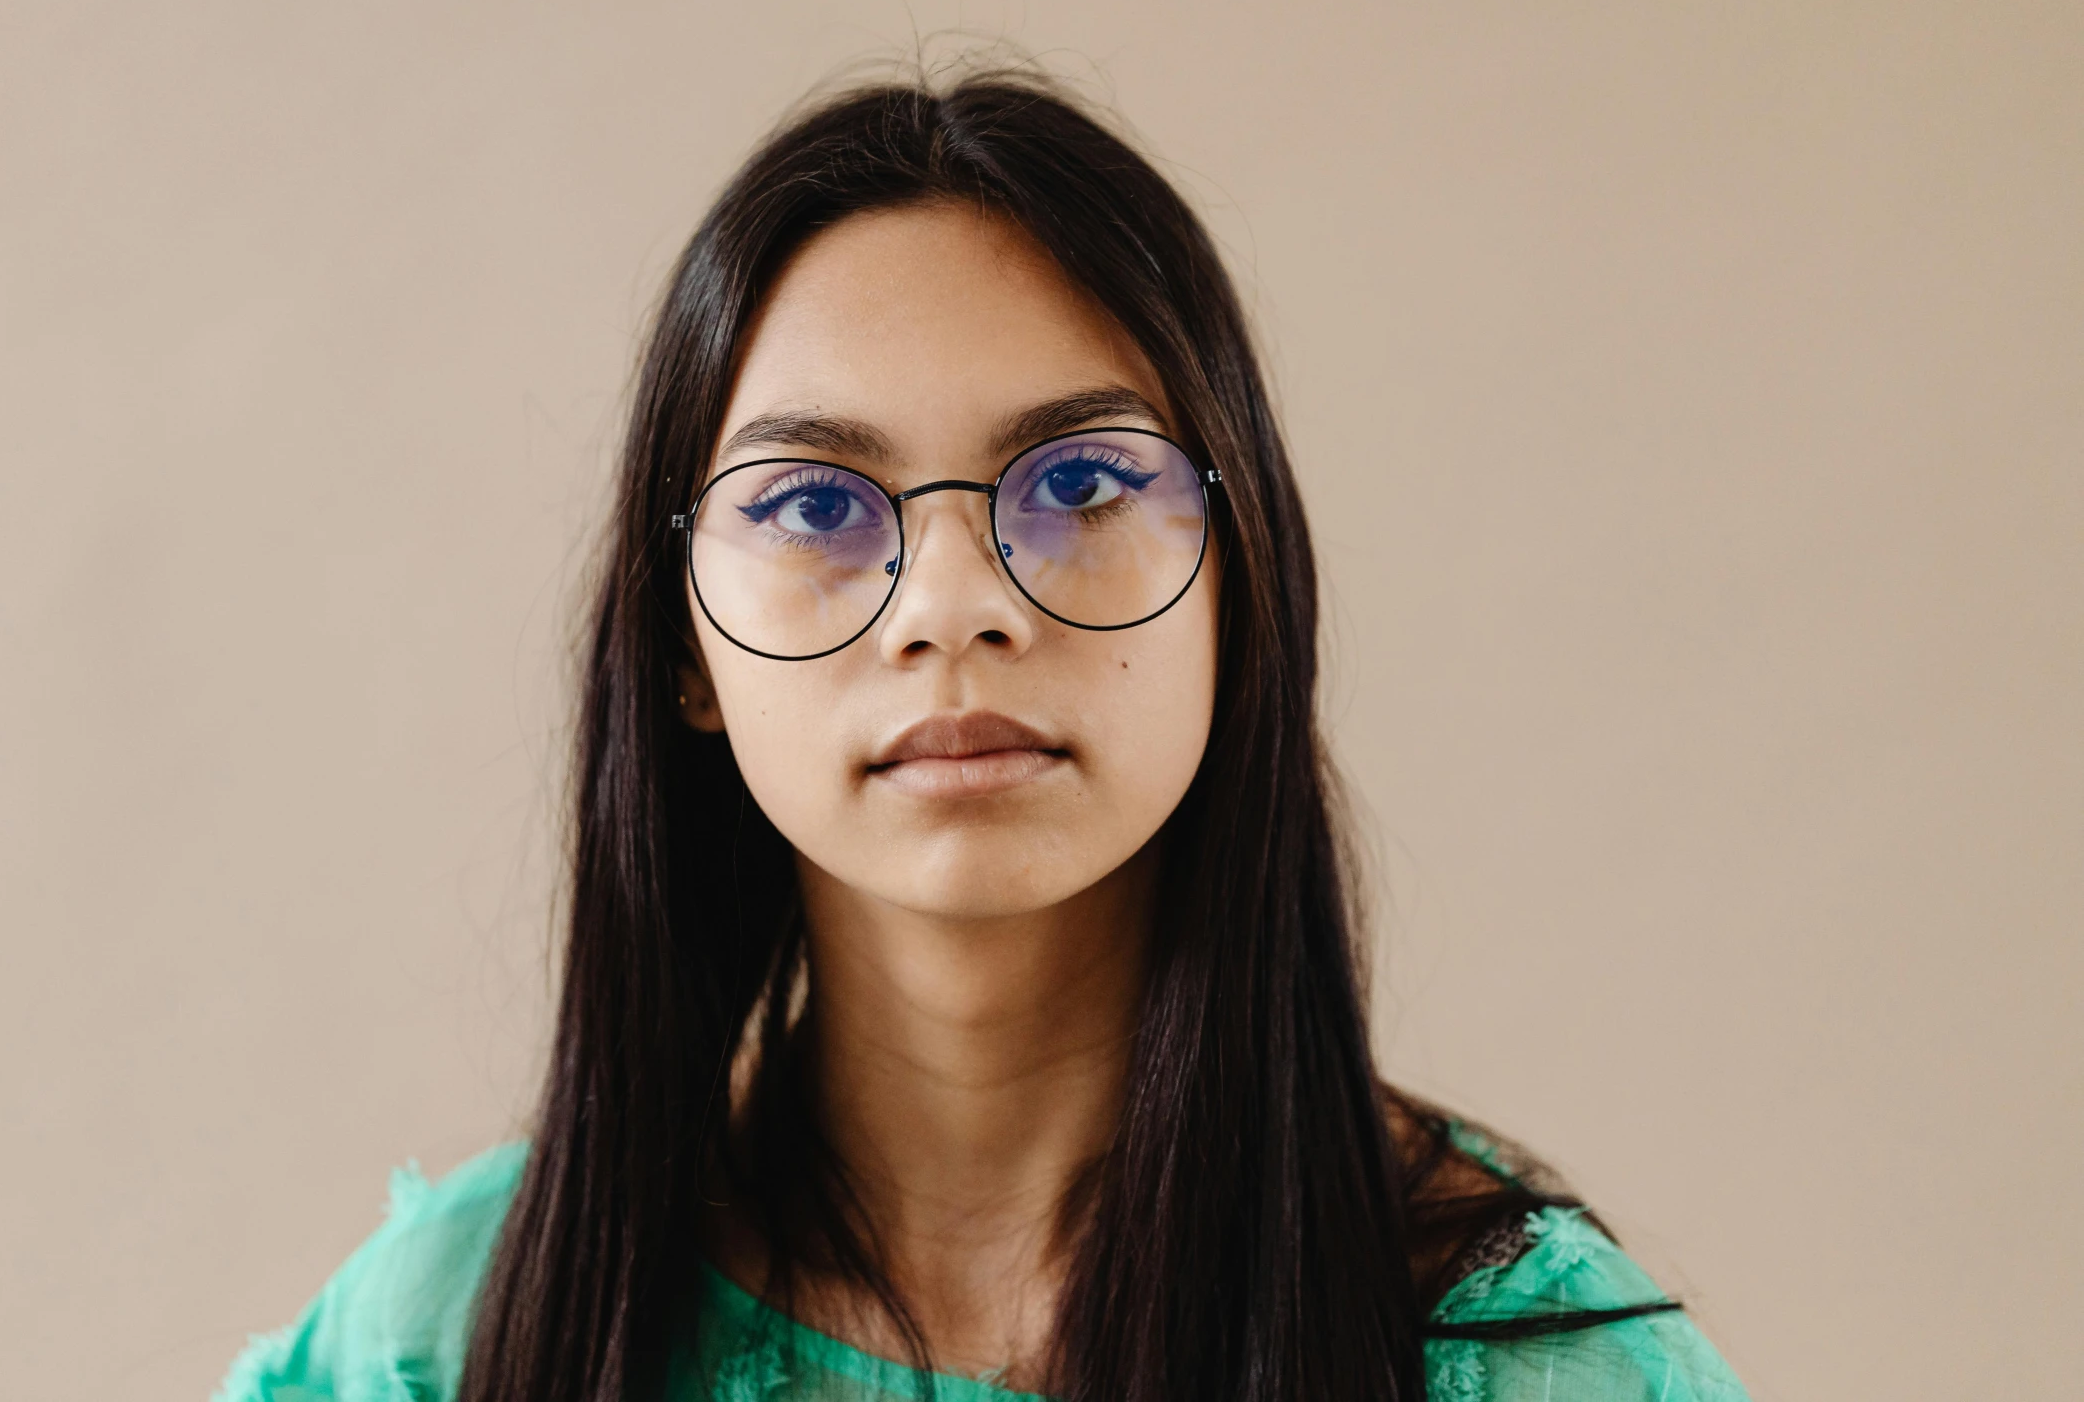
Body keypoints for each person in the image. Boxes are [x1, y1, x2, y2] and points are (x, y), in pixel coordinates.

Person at [215, 71, 1749, 1402]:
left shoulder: (1533, 1362)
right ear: (680, 643)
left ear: (1239, 584)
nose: (949, 608)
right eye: (814, 504)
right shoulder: (446, 1338)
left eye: (1079, 486)